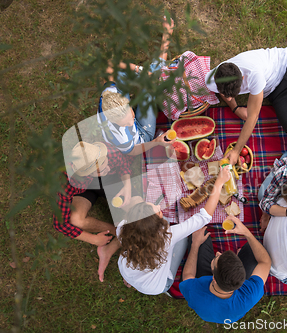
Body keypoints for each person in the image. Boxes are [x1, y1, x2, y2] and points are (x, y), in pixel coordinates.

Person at [117, 167, 231, 295]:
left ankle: (130, 280)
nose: (159, 206)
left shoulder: (122, 227)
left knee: (141, 203)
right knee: (182, 240)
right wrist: (219, 182)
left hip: (128, 272)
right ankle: (164, 286)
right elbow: (204, 217)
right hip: (157, 286)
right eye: (158, 211)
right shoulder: (167, 237)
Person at [54, 141, 132, 282]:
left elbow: (124, 163)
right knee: (76, 220)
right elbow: (61, 223)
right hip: (84, 190)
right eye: (102, 169)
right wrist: (93, 239)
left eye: (105, 162)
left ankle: (124, 235)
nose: (107, 167)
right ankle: (118, 232)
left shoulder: (107, 152)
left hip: (109, 182)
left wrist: (127, 185)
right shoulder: (65, 181)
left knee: (132, 207)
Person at [97, 17, 175, 156]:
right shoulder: (119, 138)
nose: (131, 122)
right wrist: (156, 141)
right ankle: (166, 36)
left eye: (131, 116)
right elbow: (133, 151)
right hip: (141, 136)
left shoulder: (110, 93)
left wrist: (140, 70)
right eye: (126, 124)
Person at [180, 215, 271, 324]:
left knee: (199, 234)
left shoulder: (194, 292)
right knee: (256, 249)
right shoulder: (251, 293)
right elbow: (265, 261)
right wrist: (246, 232)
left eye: (216, 258)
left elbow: (187, 275)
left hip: (208, 295)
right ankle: (237, 258)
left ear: (213, 278)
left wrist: (195, 244)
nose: (218, 252)